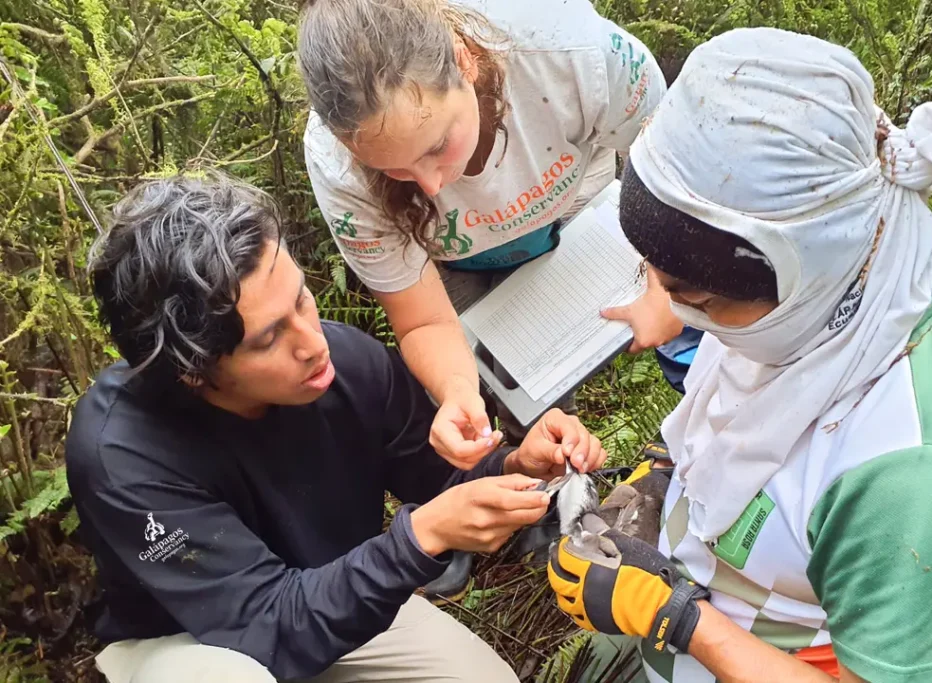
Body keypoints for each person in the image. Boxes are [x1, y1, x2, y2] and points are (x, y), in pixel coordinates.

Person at [546, 27, 932, 683]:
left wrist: (680, 619)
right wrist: (664, 477)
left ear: (799, 273)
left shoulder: (919, 484)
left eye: (692, 297)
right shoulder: (825, 298)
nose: (670, 309)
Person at [64, 172, 607, 683]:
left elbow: (437, 478)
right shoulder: (121, 451)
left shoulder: (342, 362)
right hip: (194, 638)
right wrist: (420, 539)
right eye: (269, 337)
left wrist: (514, 464)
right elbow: (264, 626)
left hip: (331, 587)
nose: (312, 341)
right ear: (193, 371)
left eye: (301, 297)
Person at [297, 0, 676, 468]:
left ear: (464, 60)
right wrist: (458, 392)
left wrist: (666, 286)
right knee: (507, 386)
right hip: (456, 258)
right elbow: (423, 321)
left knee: (676, 321)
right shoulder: (336, 165)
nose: (433, 186)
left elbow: (675, 182)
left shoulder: (570, 50)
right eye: (392, 169)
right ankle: (544, 499)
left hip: (577, 213)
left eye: (437, 146)